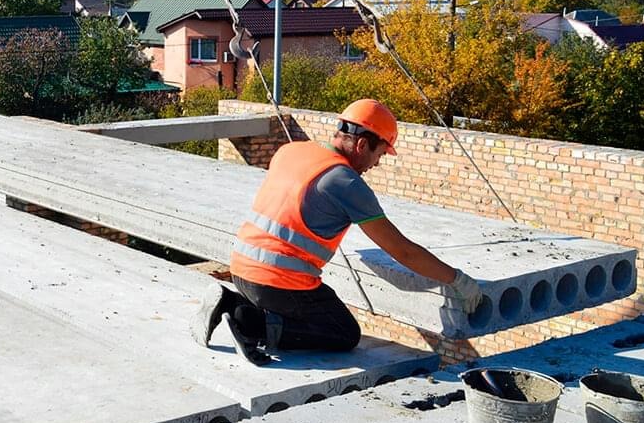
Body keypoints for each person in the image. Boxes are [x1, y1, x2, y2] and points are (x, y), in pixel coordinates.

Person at [191, 98, 484, 366]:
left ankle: (230, 302)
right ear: (362, 145)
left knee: (316, 306)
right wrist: (456, 279)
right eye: (380, 154)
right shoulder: (345, 183)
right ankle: (250, 324)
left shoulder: (291, 150)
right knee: (342, 332)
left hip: (241, 268)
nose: (377, 163)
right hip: (276, 282)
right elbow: (403, 251)